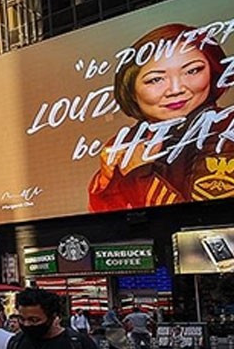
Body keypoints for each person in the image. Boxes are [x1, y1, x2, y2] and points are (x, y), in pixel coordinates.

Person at [89, 23, 233, 212]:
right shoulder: (126, 142)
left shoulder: (225, 129)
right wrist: (105, 182)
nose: (176, 89)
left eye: (192, 71)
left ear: (213, 72)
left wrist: (138, 173)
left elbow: (204, 223)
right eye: (156, 79)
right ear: (131, 90)